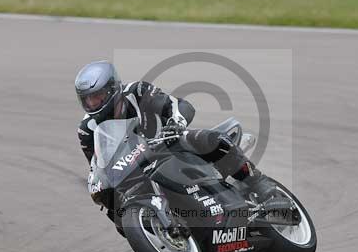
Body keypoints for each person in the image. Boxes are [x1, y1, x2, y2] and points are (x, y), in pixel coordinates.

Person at [75, 60, 275, 224]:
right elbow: (98, 164)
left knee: (208, 139)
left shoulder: (137, 91)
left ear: (112, 88)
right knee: (113, 207)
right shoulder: (86, 129)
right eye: (88, 99)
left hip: (168, 145)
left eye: (98, 97)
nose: (93, 104)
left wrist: (175, 122)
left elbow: (178, 105)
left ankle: (256, 182)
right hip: (134, 168)